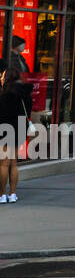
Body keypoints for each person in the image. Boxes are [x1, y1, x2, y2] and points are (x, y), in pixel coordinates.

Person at [0, 67, 26, 204]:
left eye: (3, 76)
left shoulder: (4, 95)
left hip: (5, 129)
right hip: (19, 129)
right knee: (14, 163)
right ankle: (13, 194)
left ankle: (2, 194)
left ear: (7, 78)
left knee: (4, 164)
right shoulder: (23, 94)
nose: (1, 78)